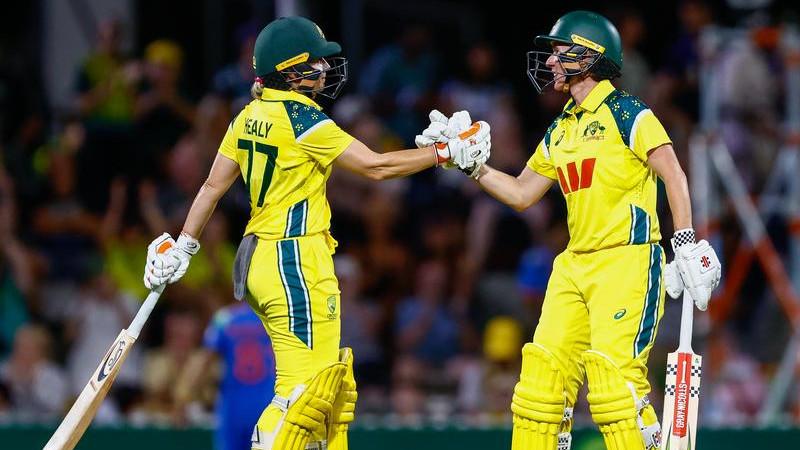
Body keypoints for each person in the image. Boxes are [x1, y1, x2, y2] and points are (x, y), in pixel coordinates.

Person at [141, 16, 490, 450]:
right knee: (306, 394)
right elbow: (376, 166)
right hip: (293, 259)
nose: (324, 70)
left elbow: (212, 186)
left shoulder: (247, 115)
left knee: (320, 391)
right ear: (289, 70)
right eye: (314, 63)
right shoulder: (303, 118)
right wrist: (445, 152)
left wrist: (184, 246)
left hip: (259, 259)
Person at [426, 10, 721, 450]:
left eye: (559, 52)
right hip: (573, 266)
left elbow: (673, 174)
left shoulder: (628, 112)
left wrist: (683, 241)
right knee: (540, 389)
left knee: (614, 388)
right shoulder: (561, 127)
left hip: (627, 260)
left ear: (589, 55)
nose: (549, 61)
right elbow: (522, 193)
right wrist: (473, 167)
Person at [174, 303, 277, 450]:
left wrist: (183, 397)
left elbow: (203, 361)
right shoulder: (275, 317)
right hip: (269, 405)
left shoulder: (225, 318)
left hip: (233, 407)